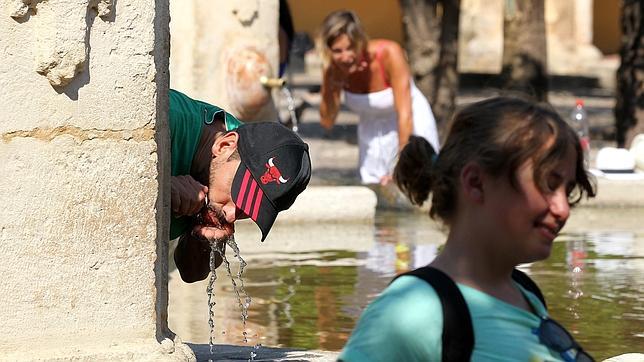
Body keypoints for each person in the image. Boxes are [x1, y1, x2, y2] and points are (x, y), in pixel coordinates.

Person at [338, 97, 597, 361]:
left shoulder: (526, 294)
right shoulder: (411, 312)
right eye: (548, 184)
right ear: (475, 183)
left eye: (568, 189)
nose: (563, 209)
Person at [169, 89, 311, 283]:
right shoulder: (164, 119)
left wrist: (203, 241)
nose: (231, 215)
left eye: (249, 208)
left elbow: (191, 272)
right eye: (238, 194)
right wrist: (157, 188)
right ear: (224, 146)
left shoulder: (229, 165)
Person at [318, 10, 440, 185]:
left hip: (410, 125)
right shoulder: (332, 69)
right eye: (338, 51)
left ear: (360, 41)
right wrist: (333, 86)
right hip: (371, 133)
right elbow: (327, 122)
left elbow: (405, 114)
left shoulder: (389, 53)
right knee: (373, 190)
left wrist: (401, 166)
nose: (345, 57)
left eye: (351, 47)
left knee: (415, 184)